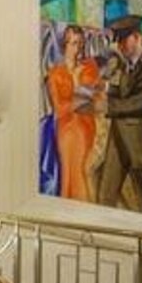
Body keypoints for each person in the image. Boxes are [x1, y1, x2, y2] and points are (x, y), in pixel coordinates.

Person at [94, 15, 142, 215]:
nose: (120, 45)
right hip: (118, 137)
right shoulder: (125, 65)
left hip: (137, 141)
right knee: (107, 188)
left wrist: (108, 107)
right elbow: (122, 91)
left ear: (136, 37)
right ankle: (102, 228)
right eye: (118, 41)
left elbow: (141, 103)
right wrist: (106, 88)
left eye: (123, 40)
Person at [45, 25, 99, 201]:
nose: (76, 49)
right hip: (66, 129)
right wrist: (79, 95)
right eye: (72, 43)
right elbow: (59, 109)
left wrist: (80, 96)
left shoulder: (89, 68)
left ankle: (80, 211)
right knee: (69, 174)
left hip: (87, 127)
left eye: (79, 43)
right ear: (64, 45)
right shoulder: (55, 74)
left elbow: (97, 98)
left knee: (80, 172)